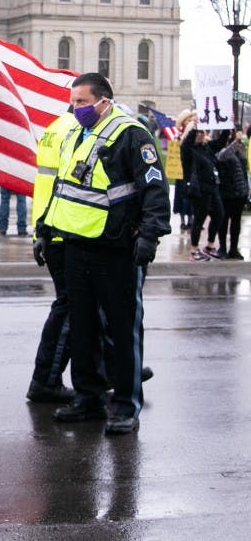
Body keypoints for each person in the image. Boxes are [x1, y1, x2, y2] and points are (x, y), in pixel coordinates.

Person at [40, 73, 170, 435]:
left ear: (104, 101)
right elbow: (64, 185)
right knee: (82, 326)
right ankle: (88, 397)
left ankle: (126, 406)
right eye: (73, 102)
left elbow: (154, 189)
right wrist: (46, 228)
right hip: (76, 245)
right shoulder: (74, 134)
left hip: (117, 248)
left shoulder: (131, 134)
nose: (76, 108)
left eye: (82, 102)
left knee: (122, 328)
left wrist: (150, 235)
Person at [26, 109, 79, 404]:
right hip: (66, 230)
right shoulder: (77, 130)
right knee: (70, 308)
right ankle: (45, 380)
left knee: (81, 309)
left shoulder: (54, 127)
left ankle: (106, 370)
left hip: (51, 228)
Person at [181, 123, 226, 260]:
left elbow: (220, 143)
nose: (200, 134)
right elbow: (186, 145)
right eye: (197, 132)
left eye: (202, 132)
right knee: (199, 219)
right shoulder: (188, 150)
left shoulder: (206, 148)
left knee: (219, 215)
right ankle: (194, 250)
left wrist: (227, 126)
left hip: (212, 188)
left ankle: (210, 245)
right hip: (199, 190)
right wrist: (193, 130)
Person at [213, 130, 247, 259]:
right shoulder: (219, 149)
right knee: (224, 221)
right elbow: (223, 155)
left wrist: (246, 189)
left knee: (236, 223)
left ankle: (234, 248)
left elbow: (243, 168)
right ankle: (222, 248)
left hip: (239, 193)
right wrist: (234, 142)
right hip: (226, 192)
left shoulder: (238, 148)